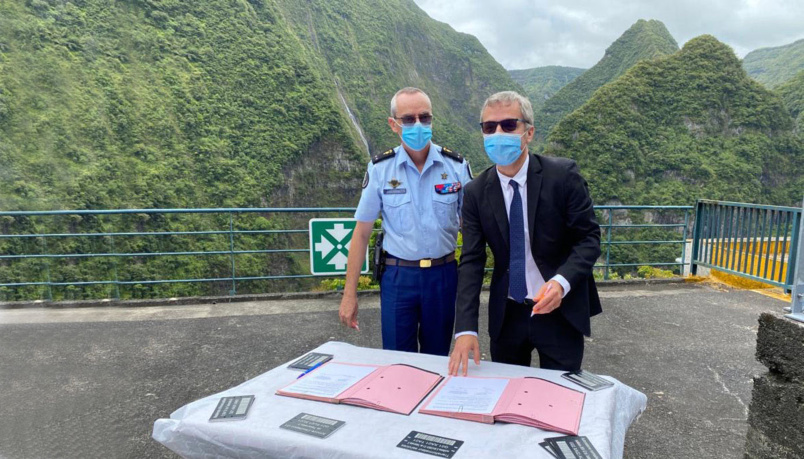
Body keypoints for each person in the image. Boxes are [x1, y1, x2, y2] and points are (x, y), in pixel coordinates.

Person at [448, 91, 601, 375]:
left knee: (559, 399)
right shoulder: (476, 192)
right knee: (507, 400)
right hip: (508, 315)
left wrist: (561, 282)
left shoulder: (563, 176)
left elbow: (589, 239)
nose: (497, 133)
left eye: (508, 125)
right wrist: (465, 329)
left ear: (528, 133)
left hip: (559, 310)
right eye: (489, 127)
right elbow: (471, 261)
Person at [339, 87, 473, 356]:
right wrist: (349, 293)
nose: (418, 125)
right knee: (397, 362)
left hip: (443, 276)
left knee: (437, 361)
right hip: (399, 278)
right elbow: (362, 233)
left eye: (424, 117)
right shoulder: (379, 169)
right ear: (394, 125)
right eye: (409, 119)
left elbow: (472, 229)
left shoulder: (456, 166)